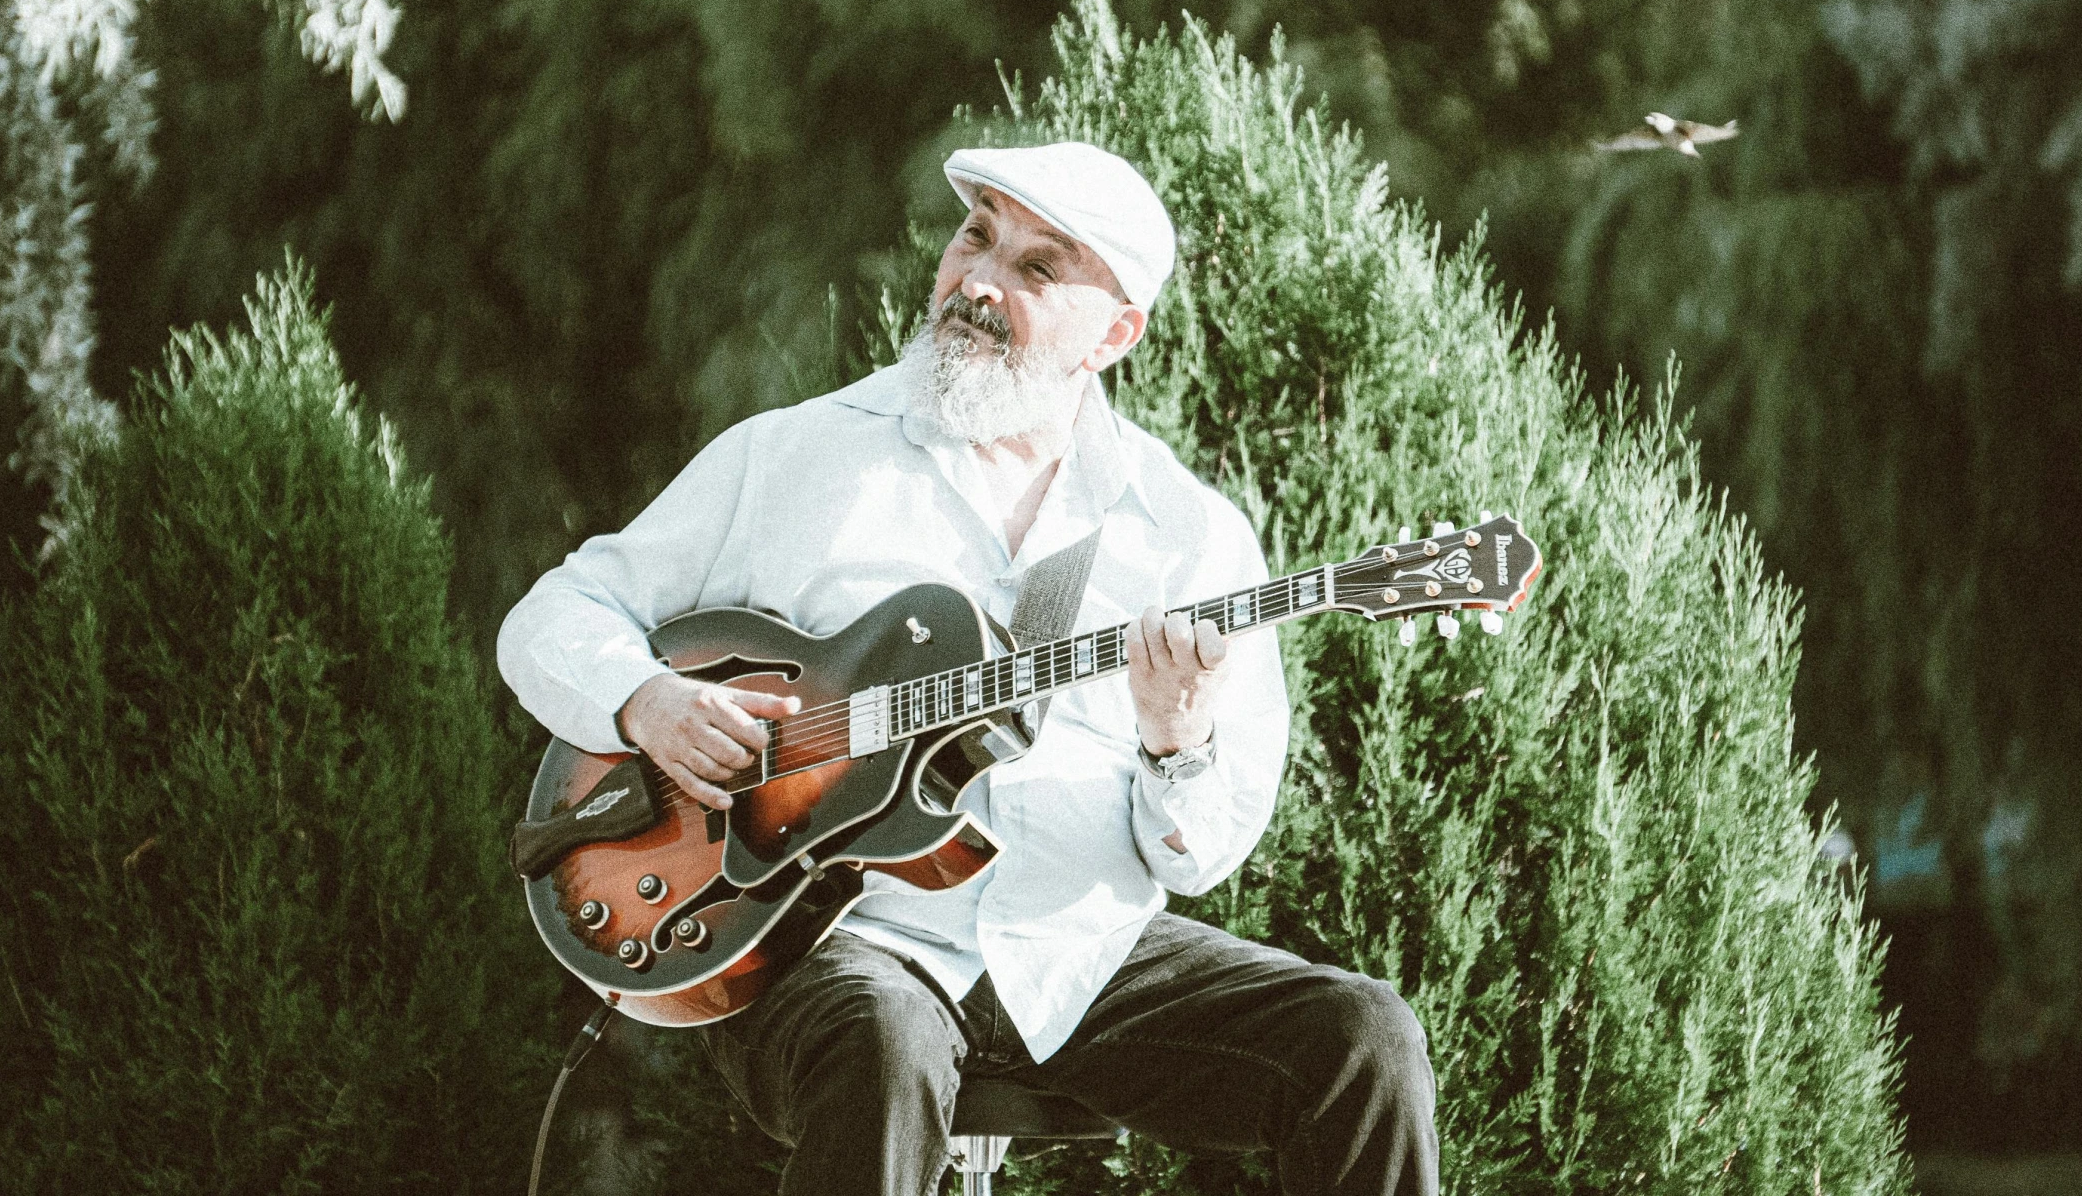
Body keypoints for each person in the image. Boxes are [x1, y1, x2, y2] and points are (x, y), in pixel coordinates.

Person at [498, 142, 1439, 1196]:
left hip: (1076, 956)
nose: (981, 282)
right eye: (976, 238)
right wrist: (647, 700)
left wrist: (1179, 740)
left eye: (1039, 270)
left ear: (1116, 332)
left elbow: (1198, 856)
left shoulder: (1186, 534)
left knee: (1361, 1037)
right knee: (885, 1043)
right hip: (838, 941)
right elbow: (554, 614)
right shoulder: (799, 457)